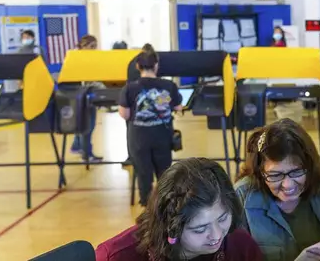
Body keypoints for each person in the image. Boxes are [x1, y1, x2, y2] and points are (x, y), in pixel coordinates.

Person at [235, 118, 320, 261]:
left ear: (311, 166)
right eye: (275, 175)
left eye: (296, 172)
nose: (287, 185)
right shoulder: (242, 197)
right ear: (259, 172)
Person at [95, 158, 263, 261]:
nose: (217, 236)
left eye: (223, 218)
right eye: (200, 229)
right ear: (171, 227)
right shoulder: (116, 256)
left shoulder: (241, 246)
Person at [119, 50, 182, 206]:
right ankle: (165, 206)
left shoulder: (130, 88)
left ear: (137, 66)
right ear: (156, 65)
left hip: (139, 138)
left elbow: (125, 114)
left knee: (143, 174)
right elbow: (177, 107)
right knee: (164, 174)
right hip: (162, 136)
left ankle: (148, 209)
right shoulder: (168, 86)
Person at [70, 34, 104, 162]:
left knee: (83, 124)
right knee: (88, 125)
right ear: (83, 46)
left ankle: (78, 146)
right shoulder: (80, 59)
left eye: (95, 46)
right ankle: (87, 154)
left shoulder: (77, 57)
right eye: (92, 46)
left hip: (82, 95)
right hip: (83, 96)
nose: (94, 49)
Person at [123, 43, 156, 167]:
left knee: (132, 132)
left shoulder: (132, 63)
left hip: (133, 104)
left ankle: (132, 157)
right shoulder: (155, 68)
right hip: (150, 105)